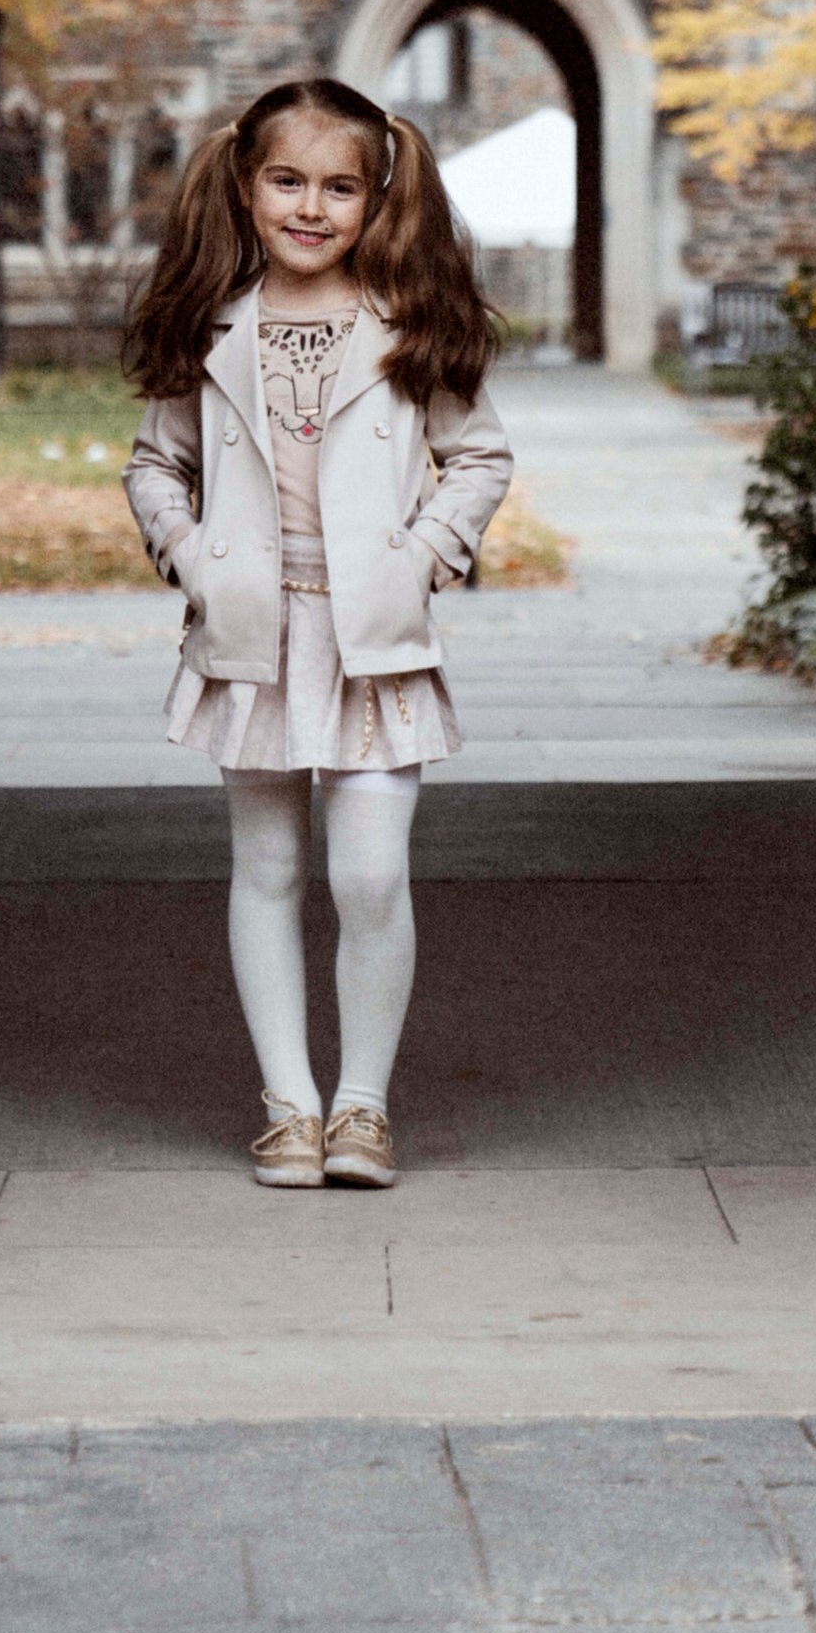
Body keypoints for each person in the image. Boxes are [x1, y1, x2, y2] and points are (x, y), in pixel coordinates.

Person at [122, 76, 511, 1186]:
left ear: (377, 196)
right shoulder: (211, 328)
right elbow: (159, 464)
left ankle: (363, 1108)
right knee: (268, 867)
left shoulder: (410, 323)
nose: (311, 207)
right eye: (287, 181)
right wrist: (191, 557)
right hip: (255, 631)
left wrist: (425, 554)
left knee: (373, 874)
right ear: (244, 187)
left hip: (373, 639)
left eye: (339, 187)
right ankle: (289, 1107)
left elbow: (478, 456)